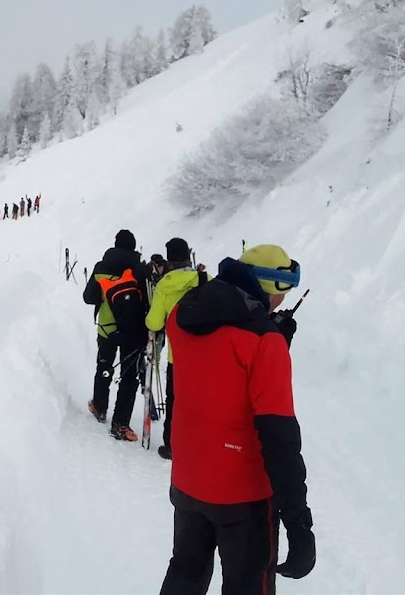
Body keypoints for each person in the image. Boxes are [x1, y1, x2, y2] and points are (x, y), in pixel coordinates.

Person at [159, 244, 313, 595]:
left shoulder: (182, 315)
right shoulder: (264, 343)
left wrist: (269, 334)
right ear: (269, 286)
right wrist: (299, 524)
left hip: (189, 481)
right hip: (244, 498)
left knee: (185, 573)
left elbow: (217, 368)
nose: (282, 302)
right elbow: (280, 438)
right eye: (282, 291)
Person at [82, 229, 150, 442]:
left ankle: (100, 407)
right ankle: (120, 424)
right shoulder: (139, 269)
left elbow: (88, 298)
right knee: (129, 377)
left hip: (107, 328)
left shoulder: (101, 267)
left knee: (104, 367)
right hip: (133, 331)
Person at [145, 239, 207, 461]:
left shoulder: (164, 285)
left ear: (169, 260)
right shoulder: (204, 279)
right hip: (207, 354)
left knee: (175, 400)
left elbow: (154, 323)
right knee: (202, 400)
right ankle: (201, 443)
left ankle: (172, 445)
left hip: (178, 355)